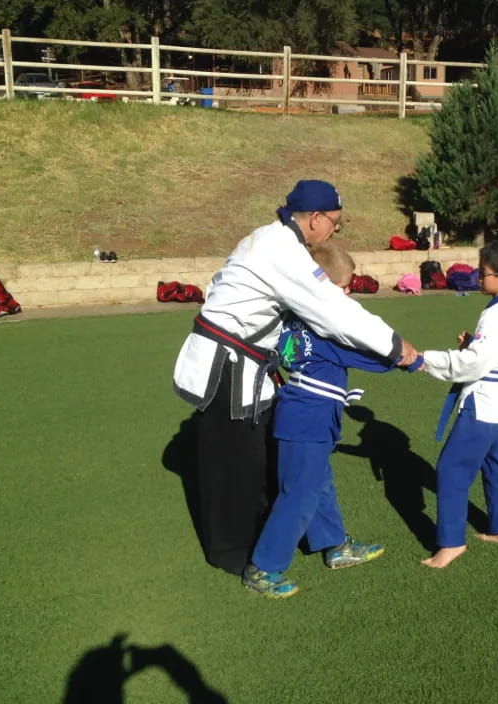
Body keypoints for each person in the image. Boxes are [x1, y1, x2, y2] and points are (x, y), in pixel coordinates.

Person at [172, 180, 418, 578]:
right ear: (316, 219)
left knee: (277, 462)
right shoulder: (283, 251)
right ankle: (240, 555)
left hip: (247, 364)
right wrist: (396, 347)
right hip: (227, 369)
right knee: (233, 466)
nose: (336, 229)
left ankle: (325, 541)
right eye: (336, 222)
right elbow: (334, 311)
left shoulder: (266, 239)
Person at [243, 243, 422, 598]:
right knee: (299, 494)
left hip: (308, 415)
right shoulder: (324, 325)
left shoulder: (294, 317)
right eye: (345, 286)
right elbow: (359, 352)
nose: (350, 291)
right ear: (322, 284)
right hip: (307, 417)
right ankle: (263, 567)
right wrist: (407, 360)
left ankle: (334, 544)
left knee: (318, 482)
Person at [418, 240, 498, 569]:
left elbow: (472, 365)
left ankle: (451, 543)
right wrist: (473, 346)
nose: (478, 279)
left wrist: (424, 360)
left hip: (483, 403)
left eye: (483, 273)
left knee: (452, 469)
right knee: (496, 465)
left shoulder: (496, 315)